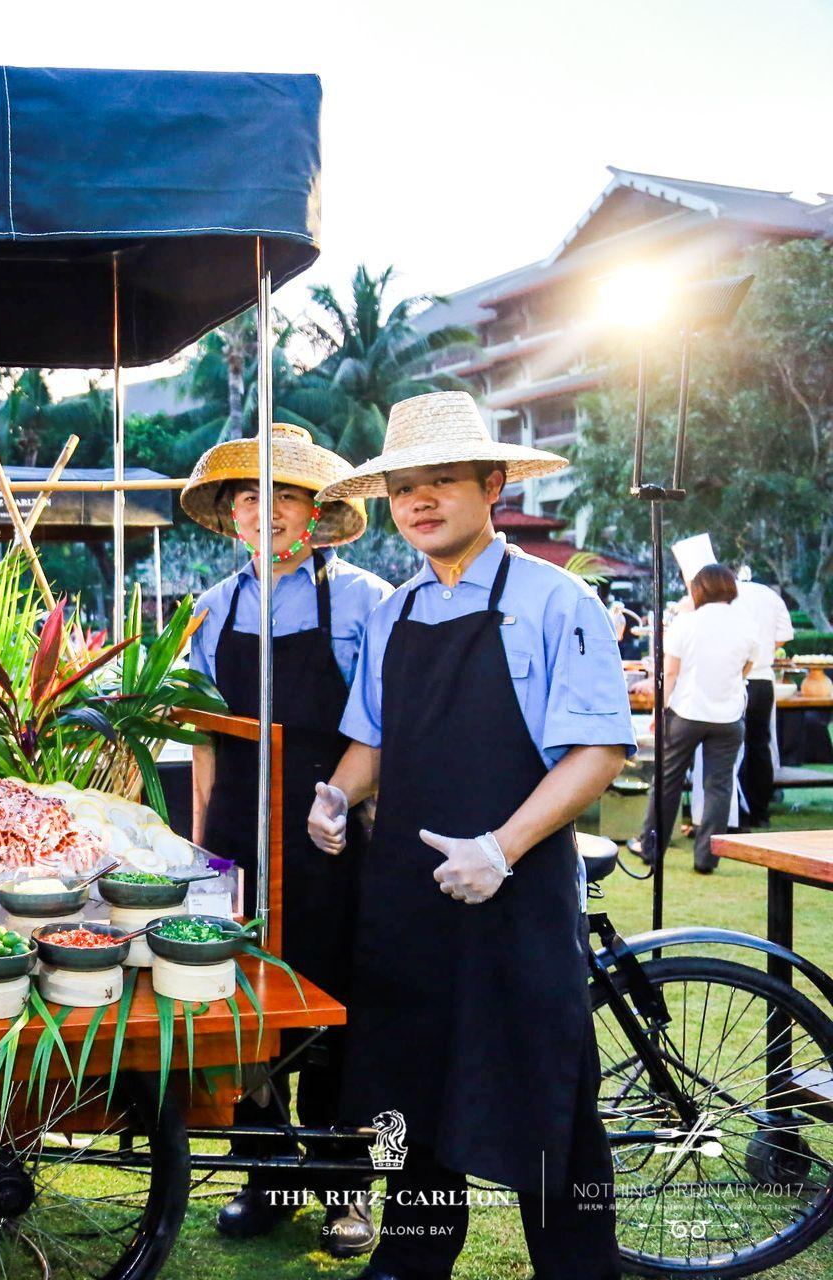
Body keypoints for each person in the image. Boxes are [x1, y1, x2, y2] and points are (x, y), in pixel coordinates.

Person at [310, 392, 634, 1280]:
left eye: (441, 481)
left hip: (518, 896)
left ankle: (578, 1268)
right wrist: (335, 796)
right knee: (407, 1096)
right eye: (405, 487)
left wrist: (501, 849)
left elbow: (599, 746)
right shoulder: (393, 611)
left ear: (492, 484)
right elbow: (371, 740)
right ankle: (410, 1262)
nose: (419, 501)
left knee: (547, 1100)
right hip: (410, 904)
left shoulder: (555, 600)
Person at [179, 423, 391, 1258]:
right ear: (230, 515)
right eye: (247, 498)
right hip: (235, 829)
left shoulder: (366, 600)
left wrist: (342, 803)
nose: (262, 513)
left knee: (331, 1005)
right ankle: (267, 1174)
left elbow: (378, 726)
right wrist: (201, 847)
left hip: (326, 832)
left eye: (283, 498)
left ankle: (346, 1189)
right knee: (239, 1012)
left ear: (317, 514)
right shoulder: (212, 606)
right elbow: (201, 739)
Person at [635, 565, 759, 873]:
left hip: (687, 712)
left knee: (667, 782)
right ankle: (706, 859)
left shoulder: (686, 623)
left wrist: (658, 711)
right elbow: (747, 667)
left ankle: (651, 849)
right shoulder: (746, 624)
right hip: (729, 715)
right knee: (719, 786)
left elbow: (671, 673)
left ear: (697, 590)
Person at [731, 569, 793, 828]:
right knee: (759, 744)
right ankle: (760, 810)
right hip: (764, 680)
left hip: (733, 678)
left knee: (730, 746)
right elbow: (783, 637)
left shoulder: (723, 594)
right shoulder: (769, 595)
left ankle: (737, 812)